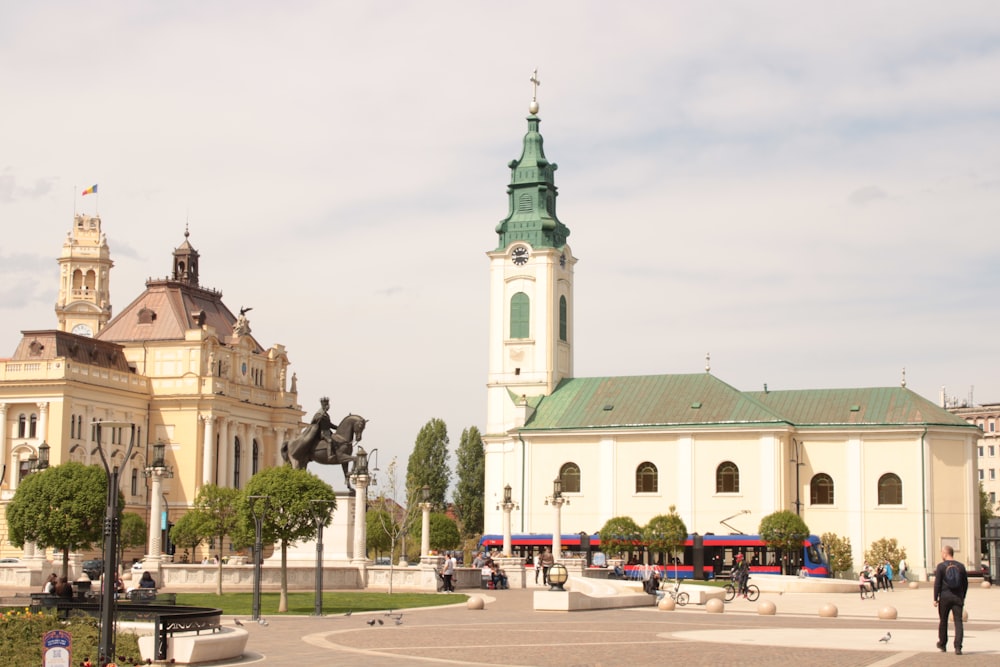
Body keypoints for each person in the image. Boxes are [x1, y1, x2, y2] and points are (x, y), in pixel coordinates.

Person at [933, 545, 968, 655]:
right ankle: (958, 647)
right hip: (958, 597)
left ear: (945, 553)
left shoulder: (941, 567)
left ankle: (942, 644)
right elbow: (965, 584)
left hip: (944, 597)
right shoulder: (961, 566)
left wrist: (935, 598)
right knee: (958, 621)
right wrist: (963, 596)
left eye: (942, 553)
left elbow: (937, 584)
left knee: (943, 621)